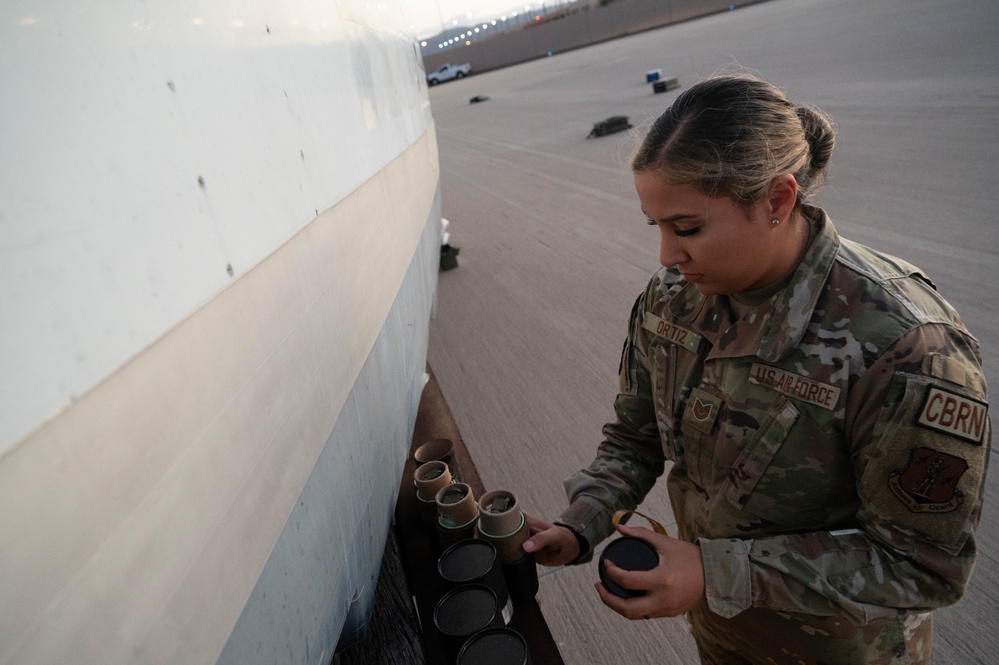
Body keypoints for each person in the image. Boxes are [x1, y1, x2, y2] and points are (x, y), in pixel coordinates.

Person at [521, 74, 990, 664]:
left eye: (687, 228)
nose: (667, 255)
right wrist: (579, 525)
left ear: (777, 200)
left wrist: (714, 573)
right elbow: (635, 438)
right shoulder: (673, 299)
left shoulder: (906, 349)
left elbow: (922, 565)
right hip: (722, 635)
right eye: (657, 226)